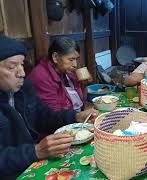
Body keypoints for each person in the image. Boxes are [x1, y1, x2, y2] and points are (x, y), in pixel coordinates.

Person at [0, 36, 97, 179]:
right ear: (55, 57)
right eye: (12, 67)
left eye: (22, 65)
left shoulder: (24, 89)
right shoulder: (40, 77)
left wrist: (75, 116)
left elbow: (44, 115)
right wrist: (36, 151)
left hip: (31, 161)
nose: (22, 73)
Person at [27, 37, 90, 112]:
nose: (75, 64)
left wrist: (84, 83)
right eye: (71, 59)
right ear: (55, 57)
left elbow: (79, 96)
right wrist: (78, 116)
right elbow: (54, 113)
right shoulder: (41, 77)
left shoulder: (66, 70)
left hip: (78, 112)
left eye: (76, 59)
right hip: (65, 120)